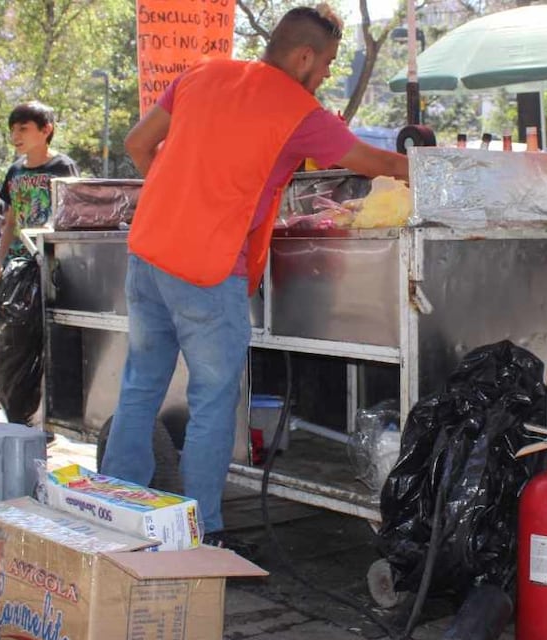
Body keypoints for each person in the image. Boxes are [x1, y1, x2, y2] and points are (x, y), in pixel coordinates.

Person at [100, 4, 409, 546]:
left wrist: (183, 195)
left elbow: (137, 143)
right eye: (330, 63)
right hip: (207, 268)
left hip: (147, 255)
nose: (328, 74)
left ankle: (115, 513)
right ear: (305, 55)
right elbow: (374, 163)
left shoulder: (202, 72)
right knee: (213, 402)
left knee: (140, 389)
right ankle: (201, 533)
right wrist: (441, 165)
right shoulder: (299, 110)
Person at [0, 101, 78, 285]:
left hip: (52, 262)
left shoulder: (63, 167)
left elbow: (74, 216)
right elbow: (11, 221)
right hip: (17, 264)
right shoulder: (14, 171)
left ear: (46, 130)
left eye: (23, 129)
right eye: (13, 129)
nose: (15, 135)